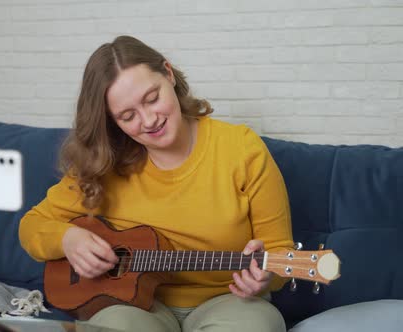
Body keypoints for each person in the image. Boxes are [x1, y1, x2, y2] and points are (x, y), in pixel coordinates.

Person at [19, 35, 294, 332]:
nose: (149, 120)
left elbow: (279, 252)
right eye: (127, 116)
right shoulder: (104, 163)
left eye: (152, 99)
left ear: (168, 74)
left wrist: (266, 276)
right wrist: (67, 239)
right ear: (112, 122)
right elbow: (32, 225)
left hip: (229, 302)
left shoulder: (242, 150)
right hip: (137, 307)